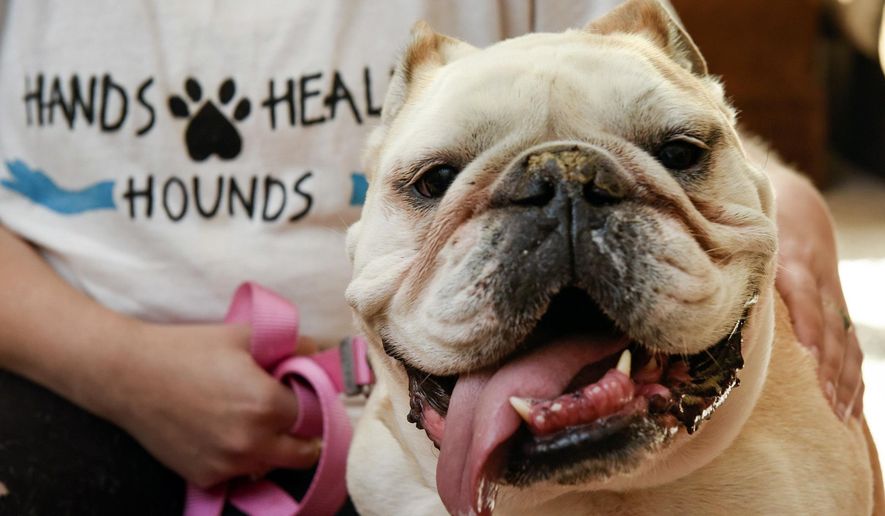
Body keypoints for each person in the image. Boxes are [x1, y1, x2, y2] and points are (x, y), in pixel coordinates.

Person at [0, 1, 864, 514]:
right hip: (66, 366)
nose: (558, 209)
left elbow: (672, 94)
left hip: (356, 411)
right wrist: (115, 367)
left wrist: (789, 202)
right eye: (438, 179)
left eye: (675, 155)